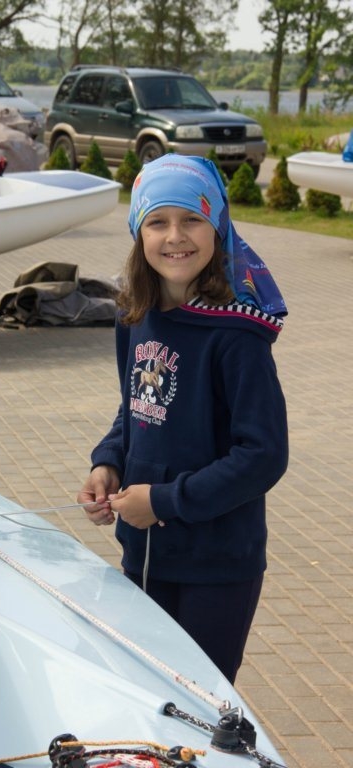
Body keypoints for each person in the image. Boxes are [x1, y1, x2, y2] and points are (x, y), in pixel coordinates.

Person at [77, 154, 289, 684]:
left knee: (197, 705)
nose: (175, 237)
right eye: (158, 221)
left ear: (217, 227)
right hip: (144, 551)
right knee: (143, 693)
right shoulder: (134, 317)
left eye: (192, 219)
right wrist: (108, 463)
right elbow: (137, 408)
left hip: (216, 566)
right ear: (138, 233)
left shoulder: (238, 337)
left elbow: (263, 455)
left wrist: (164, 501)